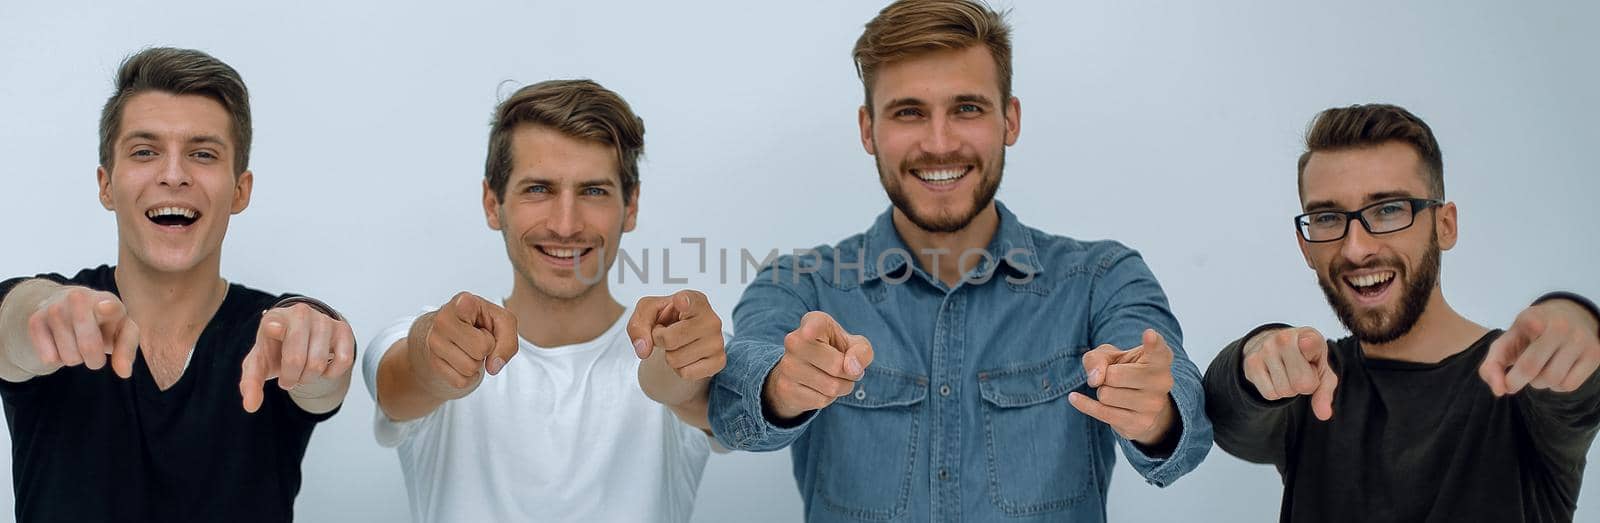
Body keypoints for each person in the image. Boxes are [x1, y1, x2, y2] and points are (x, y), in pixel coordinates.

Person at [707, 1, 1212, 521]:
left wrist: (1154, 411)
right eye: (909, 112)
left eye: (967, 108)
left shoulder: (1103, 277)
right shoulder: (799, 284)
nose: (940, 143)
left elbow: (1188, 428)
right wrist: (781, 387)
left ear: (1009, 119)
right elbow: (729, 404)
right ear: (867, 129)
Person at [0, 47, 355, 522]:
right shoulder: (58, 315)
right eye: (145, 152)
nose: (173, 175)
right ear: (106, 185)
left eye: (202, 154)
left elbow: (322, 376)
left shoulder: (273, 335)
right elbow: (15, 321)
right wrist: (43, 312)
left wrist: (319, 340)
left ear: (240, 190)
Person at [1203, 103, 1600, 522]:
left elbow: (1581, 387)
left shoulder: (1522, 379)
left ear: (1445, 226)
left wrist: (1576, 321)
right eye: (1326, 217)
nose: (1356, 248)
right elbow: (1225, 415)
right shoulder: (1313, 383)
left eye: (1389, 209)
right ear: (1305, 247)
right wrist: (1258, 353)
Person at [361, 79, 722, 522]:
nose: (566, 225)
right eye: (538, 189)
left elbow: (697, 395)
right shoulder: (434, 337)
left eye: (593, 191)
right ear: (492, 204)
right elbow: (405, 381)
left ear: (631, 207)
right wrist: (433, 358)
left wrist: (678, 365)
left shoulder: (687, 342)